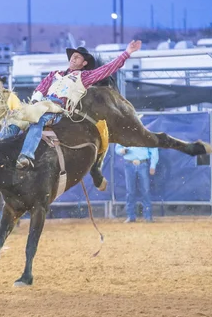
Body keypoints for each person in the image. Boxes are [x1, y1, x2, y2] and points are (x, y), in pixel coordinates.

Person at [11, 40, 142, 169]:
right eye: (73, 56)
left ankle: (26, 155)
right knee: (14, 118)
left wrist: (127, 52)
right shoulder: (54, 74)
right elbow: (40, 89)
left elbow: (106, 70)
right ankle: (0, 144)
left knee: (38, 120)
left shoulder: (84, 76)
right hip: (41, 105)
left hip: (58, 108)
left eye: (78, 57)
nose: (73, 58)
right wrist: (34, 102)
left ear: (84, 63)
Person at [115, 143, 159, 223]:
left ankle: (148, 216)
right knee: (130, 191)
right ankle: (131, 216)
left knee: (145, 190)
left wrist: (153, 165)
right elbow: (117, 149)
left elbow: (154, 150)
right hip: (129, 164)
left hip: (142, 164)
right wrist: (122, 151)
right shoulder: (125, 134)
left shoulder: (145, 134)